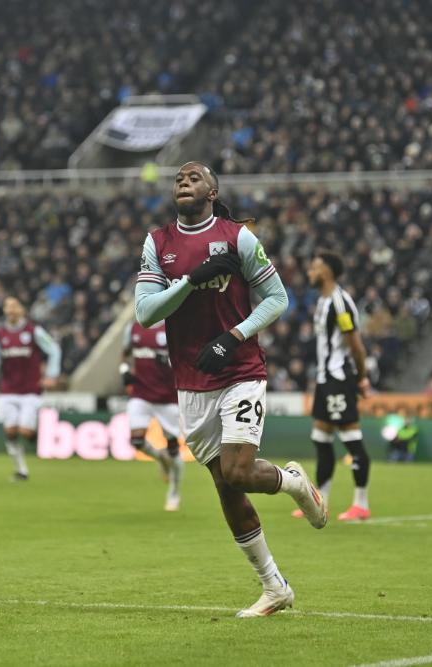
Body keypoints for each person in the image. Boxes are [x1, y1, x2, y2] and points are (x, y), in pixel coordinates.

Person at [135, 161, 326, 618]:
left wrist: (233, 337)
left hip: (240, 369)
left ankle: (294, 483)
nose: (184, 181)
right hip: (191, 381)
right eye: (178, 178)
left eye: (194, 177)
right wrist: (192, 280)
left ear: (213, 190)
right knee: (225, 486)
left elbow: (278, 298)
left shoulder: (239, 237)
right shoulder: (157, 243)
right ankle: (274, 588)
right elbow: (145, 312)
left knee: (238, 472)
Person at [292, 252, 373, 522]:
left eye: (314, 267)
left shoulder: (340, 303)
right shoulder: (323, 301)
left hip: (339, 379)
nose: (309, 272)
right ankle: (320, 501)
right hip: (325, 380)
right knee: (321, 440)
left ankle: (361, 504)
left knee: (352, 441)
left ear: (326, 272)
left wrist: (361, 378)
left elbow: (356, 346)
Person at [0, 296, 61, 481]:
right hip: (8, 389)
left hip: (30, 389)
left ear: (22, 310)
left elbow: (54, 350)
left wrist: (51, 375)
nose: (10, 310)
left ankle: (36, 436)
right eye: (7, 307)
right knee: (10, 431)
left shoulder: (33, 331)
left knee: (25, 432)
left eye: (14, 306)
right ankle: (21, 470)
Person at [120, 319, 185, 511]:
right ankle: (161, 458)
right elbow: (124, 354)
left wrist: (170, 361)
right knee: (137, 442)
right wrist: (124, 371)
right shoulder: (132, 328)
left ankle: (174, 490)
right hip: (140, 394)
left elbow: (187, 357)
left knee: (173, 449)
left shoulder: (172, 327)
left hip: (168, 397)